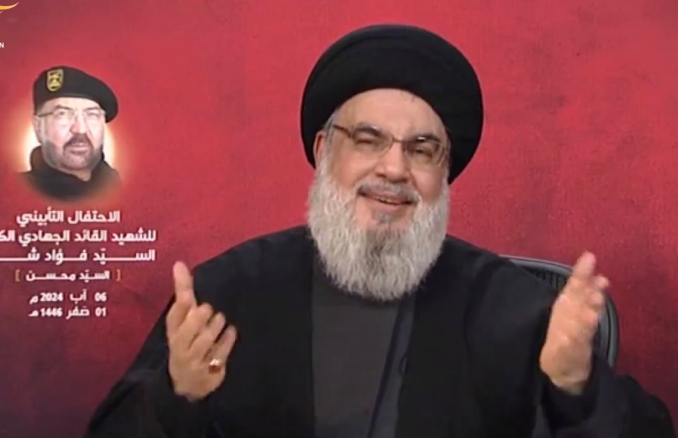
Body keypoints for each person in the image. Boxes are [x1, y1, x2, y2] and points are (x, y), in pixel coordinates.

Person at [83, 24, 674, 438]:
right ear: (323, 151)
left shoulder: (512, 307)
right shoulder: (225, 295)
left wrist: (576, 386)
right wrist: (177, 393)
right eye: (367, 140)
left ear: (443, 173)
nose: (394, 168)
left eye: (422, 149)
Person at [22, 65, 121, 202]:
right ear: (38, 127)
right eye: (62, 114)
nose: (80, 129)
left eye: (92, 115)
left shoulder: (120, 189)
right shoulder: (12, 193)